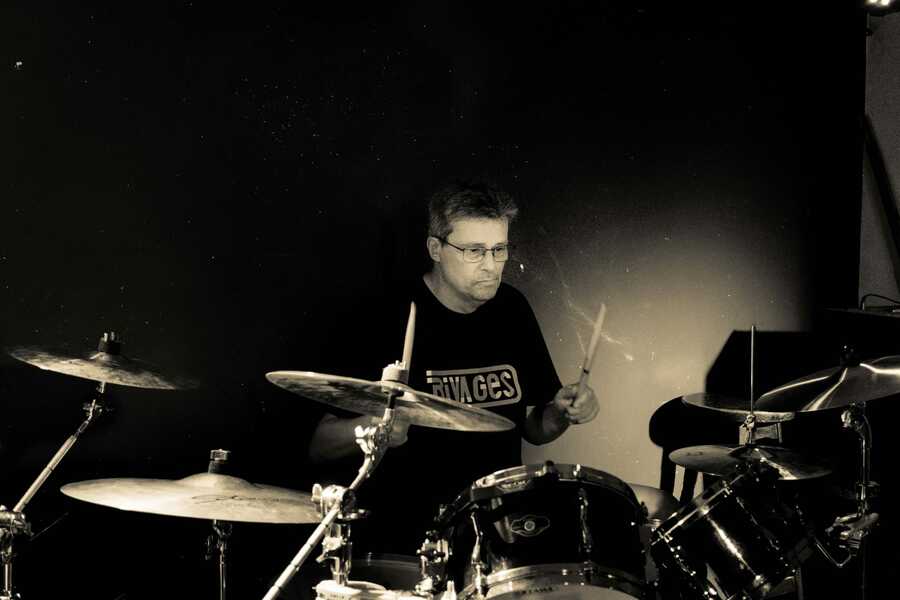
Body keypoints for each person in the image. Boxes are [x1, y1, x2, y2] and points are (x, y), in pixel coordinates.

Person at [307, 178, 599, 559]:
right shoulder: (386, 316)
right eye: (474, 251)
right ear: (436, 249)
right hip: (406, 542)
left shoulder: (512, 310)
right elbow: (320, 444)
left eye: (499, 250)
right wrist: (376, 428)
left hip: (495, 537)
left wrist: (562, 412)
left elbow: (534, 428)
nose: (491, 266)